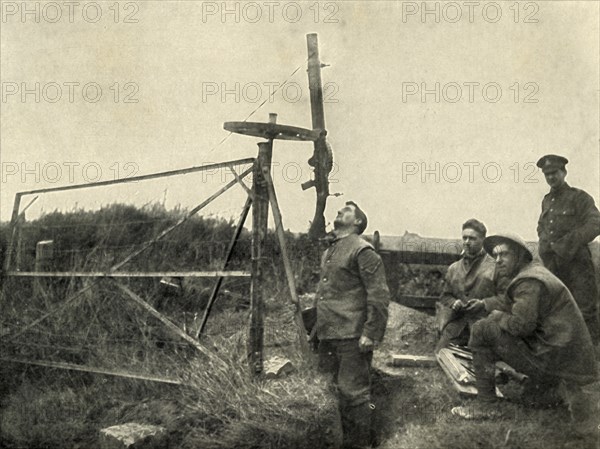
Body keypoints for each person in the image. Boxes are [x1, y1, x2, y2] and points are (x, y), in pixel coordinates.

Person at [452, 233, 598, 432]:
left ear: (520, 256)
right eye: (495, 255)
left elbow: (520, 326)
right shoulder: (532, 274)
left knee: (481, 330)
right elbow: (508, 302)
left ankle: (486, 405)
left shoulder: (529, 282)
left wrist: (496, 317)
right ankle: (548, 389)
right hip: (563, 356)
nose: (498, 260)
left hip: (555, 359)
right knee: (532, 398)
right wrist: (484, 304)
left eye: (504, 254)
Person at [315, 201, 390, 449]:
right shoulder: (331, 250)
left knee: (354, 395)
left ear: (358, 222)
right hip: (328, 334)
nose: (339, 211)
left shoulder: (363, 251)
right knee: (333, 393)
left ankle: (360, 445)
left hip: (352, 336)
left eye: (347, 210)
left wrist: (371, 333)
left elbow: (378, 295)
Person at [536, 154, 600, 346]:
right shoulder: (547, 200)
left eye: (554, 173)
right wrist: (544, 243)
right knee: (556, 310)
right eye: (547, 174)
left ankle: (592, 365)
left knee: (584, 313)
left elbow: (595, 224)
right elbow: (541, 226)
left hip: (577, 266)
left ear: (564, 172)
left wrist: (565, 245)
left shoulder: (579, 197)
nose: (551, 178)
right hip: (554, 267)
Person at [435, 219, 508, 353]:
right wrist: (453, 303)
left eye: (472, 238)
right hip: (458, 326)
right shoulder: (454, 268)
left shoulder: (496, 267)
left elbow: (506, 298)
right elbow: (445, 296)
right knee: (441, 354)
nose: (467, 242)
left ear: (483, 240)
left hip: (485, 326)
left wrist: (484, 303)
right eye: (465, 238)